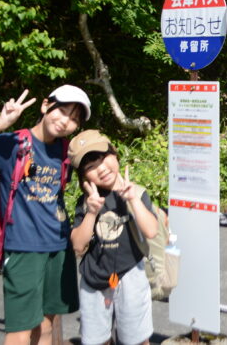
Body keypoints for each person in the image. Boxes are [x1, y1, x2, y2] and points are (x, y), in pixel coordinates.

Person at [0, 85, 90, 345]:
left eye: (74, 119)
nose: (66, 122)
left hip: (58, 249)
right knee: (19, 332)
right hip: (23, 248)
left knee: (47, 326)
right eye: (63, 112)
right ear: (46, 105)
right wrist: (2, 122)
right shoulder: (15, 143)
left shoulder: (65, 152)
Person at [69, 130, 158, 345]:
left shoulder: (137, 191)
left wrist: (133, 200)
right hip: (94, 279)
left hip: (130, 275)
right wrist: (91, 212)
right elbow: (78, 246)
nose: (100, 169)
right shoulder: (86, 201)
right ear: (83, 176)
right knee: (96, 340)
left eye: (102, 158)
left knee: (136, 340)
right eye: (90, 167)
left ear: (115, 155)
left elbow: (151, 231)